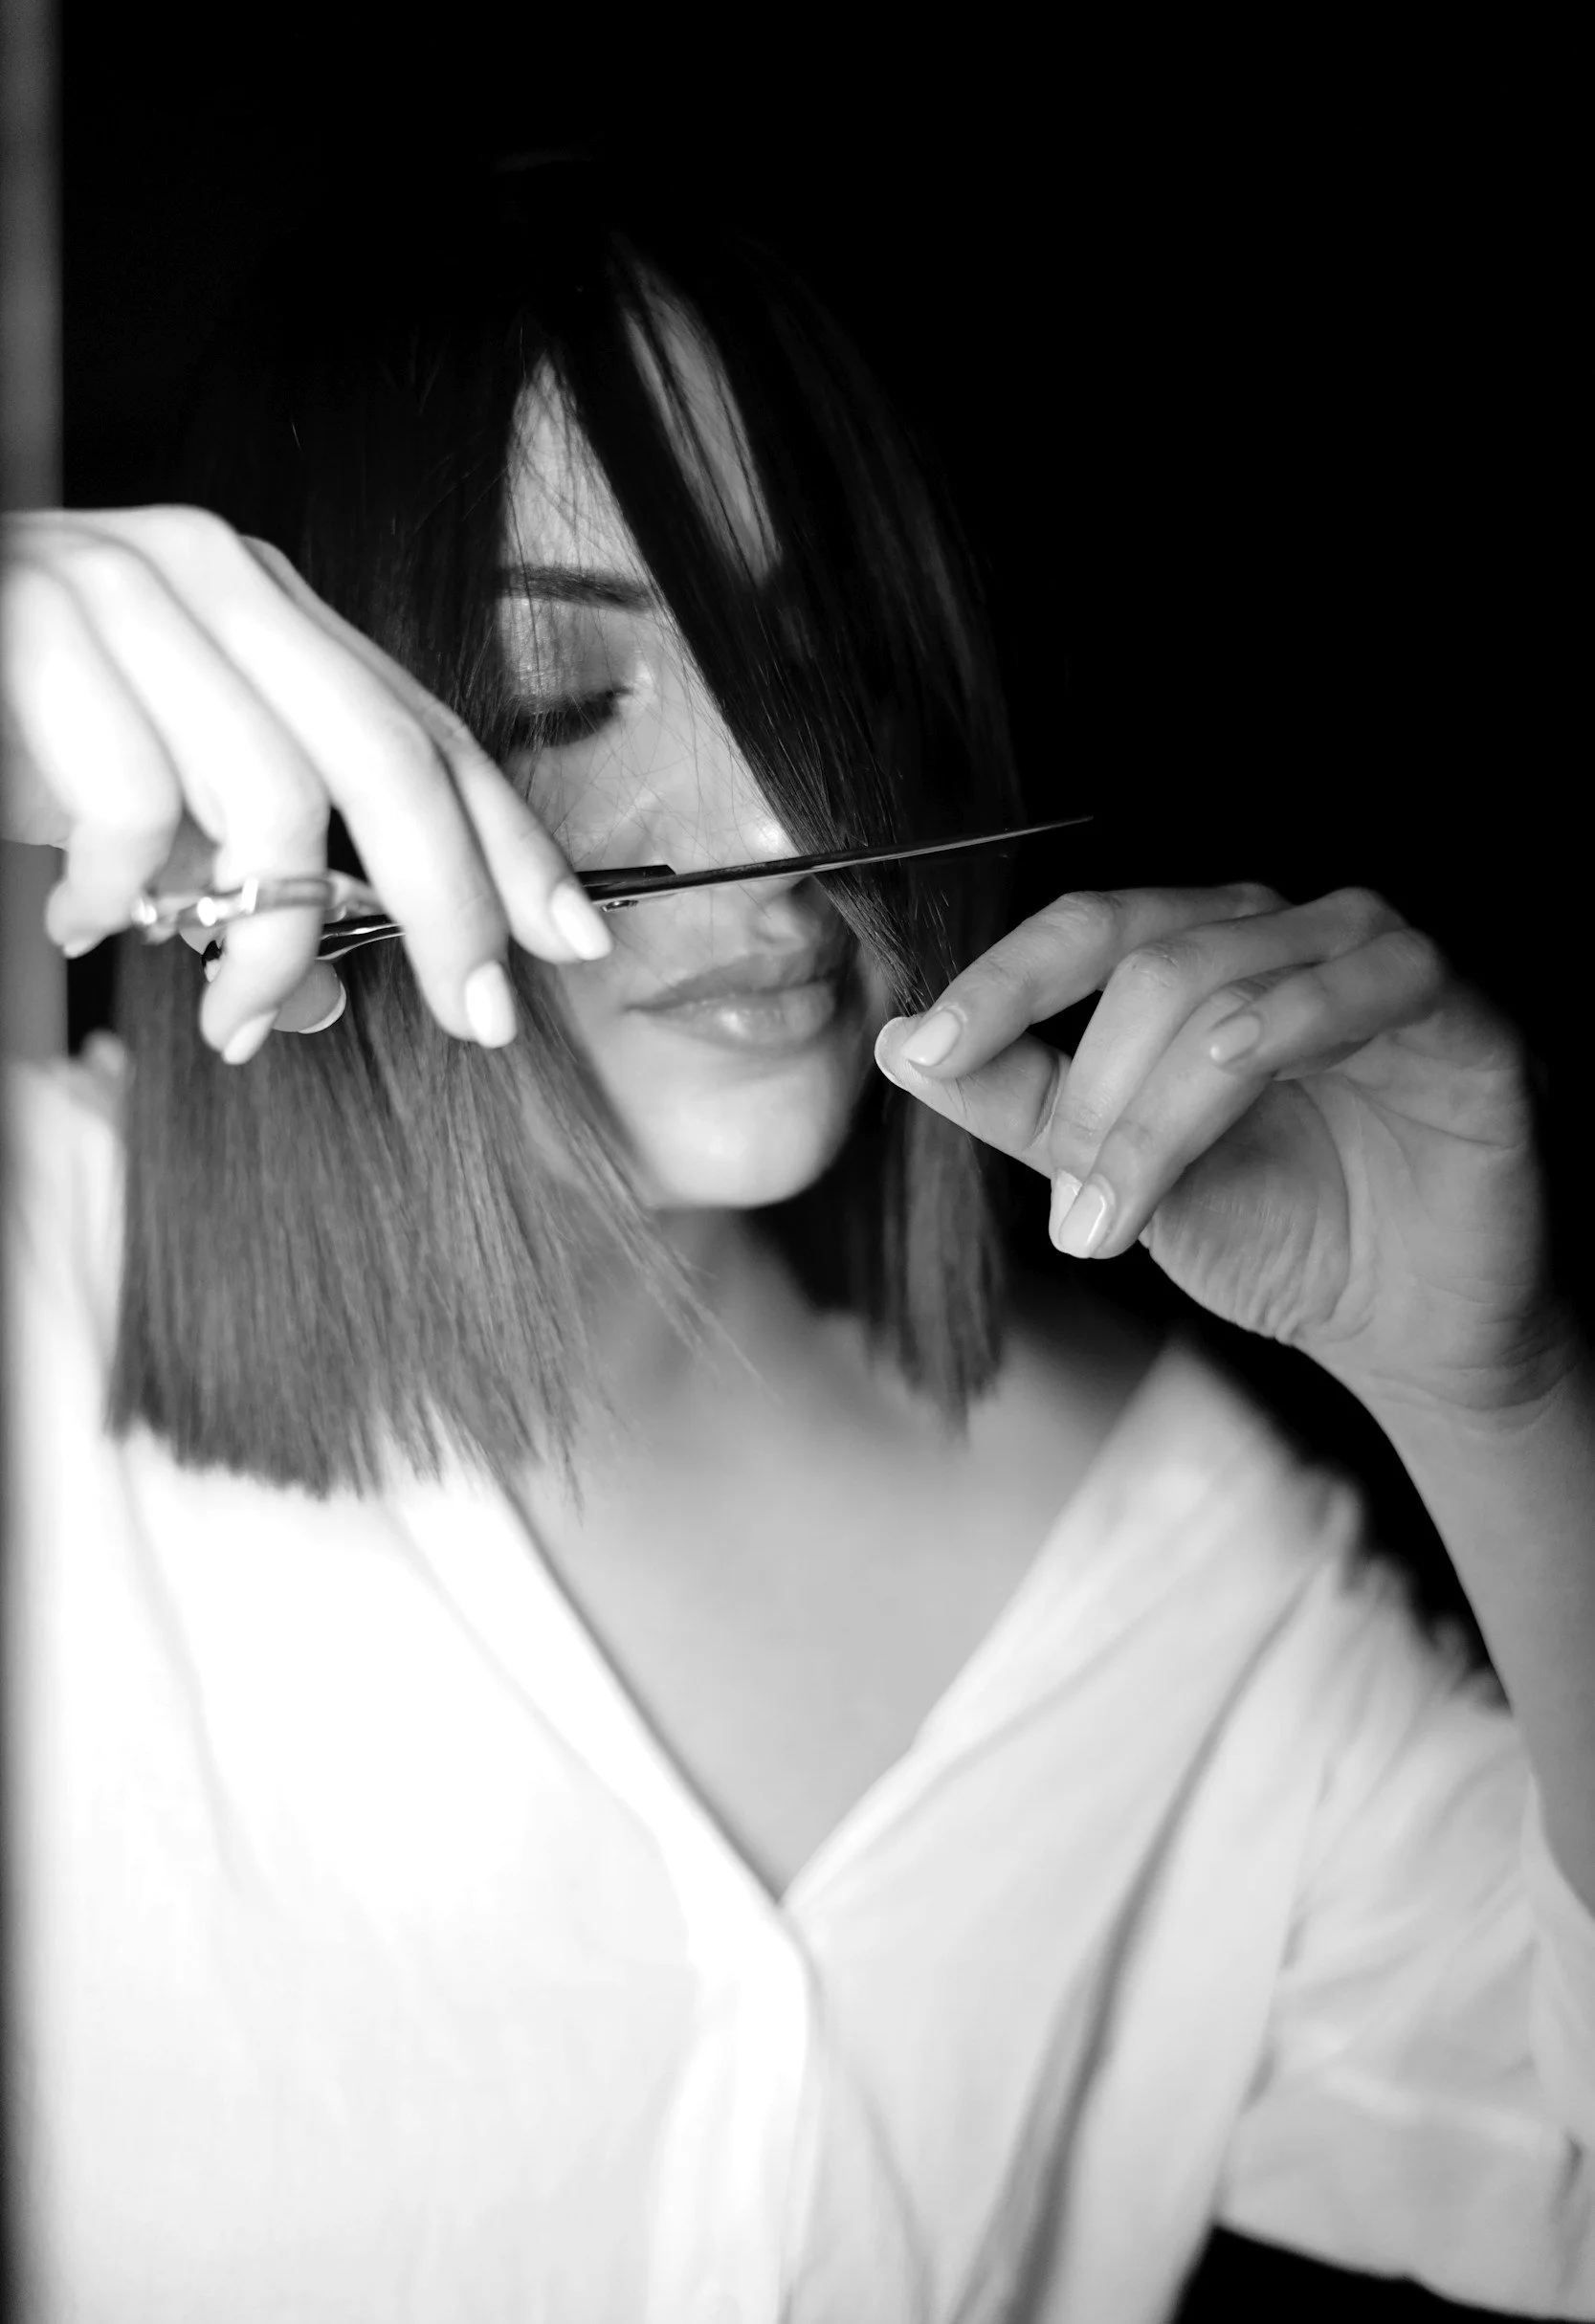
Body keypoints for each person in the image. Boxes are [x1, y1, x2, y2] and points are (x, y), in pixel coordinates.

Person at [2, 153, 1591, 2324]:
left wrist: (1496, 1396)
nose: (772, 828)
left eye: (815, 660)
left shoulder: (1197, 1582)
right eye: (559, 697)